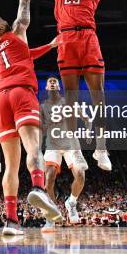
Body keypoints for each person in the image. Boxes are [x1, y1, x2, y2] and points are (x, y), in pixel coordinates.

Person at [0, 0, 61, 236]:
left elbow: (22, 57)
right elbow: (24, 4)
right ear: (2, 25)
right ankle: (38, 186)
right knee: (33, 148)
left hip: (1, 98)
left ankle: (11, 221)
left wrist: (48, 47)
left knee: (10, 165)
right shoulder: (15, 31)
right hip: (21, 93)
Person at [13, 0, 111, 171]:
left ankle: (101, 149)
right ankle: (76, 150)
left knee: (98, 96)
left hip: (88, 39)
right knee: (71, 98)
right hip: (66, 40)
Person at [41, 76, 88, 231]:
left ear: (58, 87)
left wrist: (87, 131)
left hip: (70, 142)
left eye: (55, 82)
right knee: (48, 179)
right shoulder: (43, 107)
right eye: (50, 82)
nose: (53, 83)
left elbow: (86, 117)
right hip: (53, 144)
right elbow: (39, 129)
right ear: (47, 88)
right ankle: (52, 215)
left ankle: (71, 202)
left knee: (80, 175)